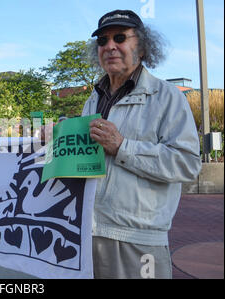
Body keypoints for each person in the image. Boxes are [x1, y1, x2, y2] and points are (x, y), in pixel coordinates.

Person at [82, 9, 202, 278]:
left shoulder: (168, 97)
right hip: (88, 235)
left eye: (120, 37)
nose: (110, 46)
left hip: (139, 241)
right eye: (102, 40)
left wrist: (122, 147)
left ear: (143, 47)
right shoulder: (93, 99)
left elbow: (188, 164)